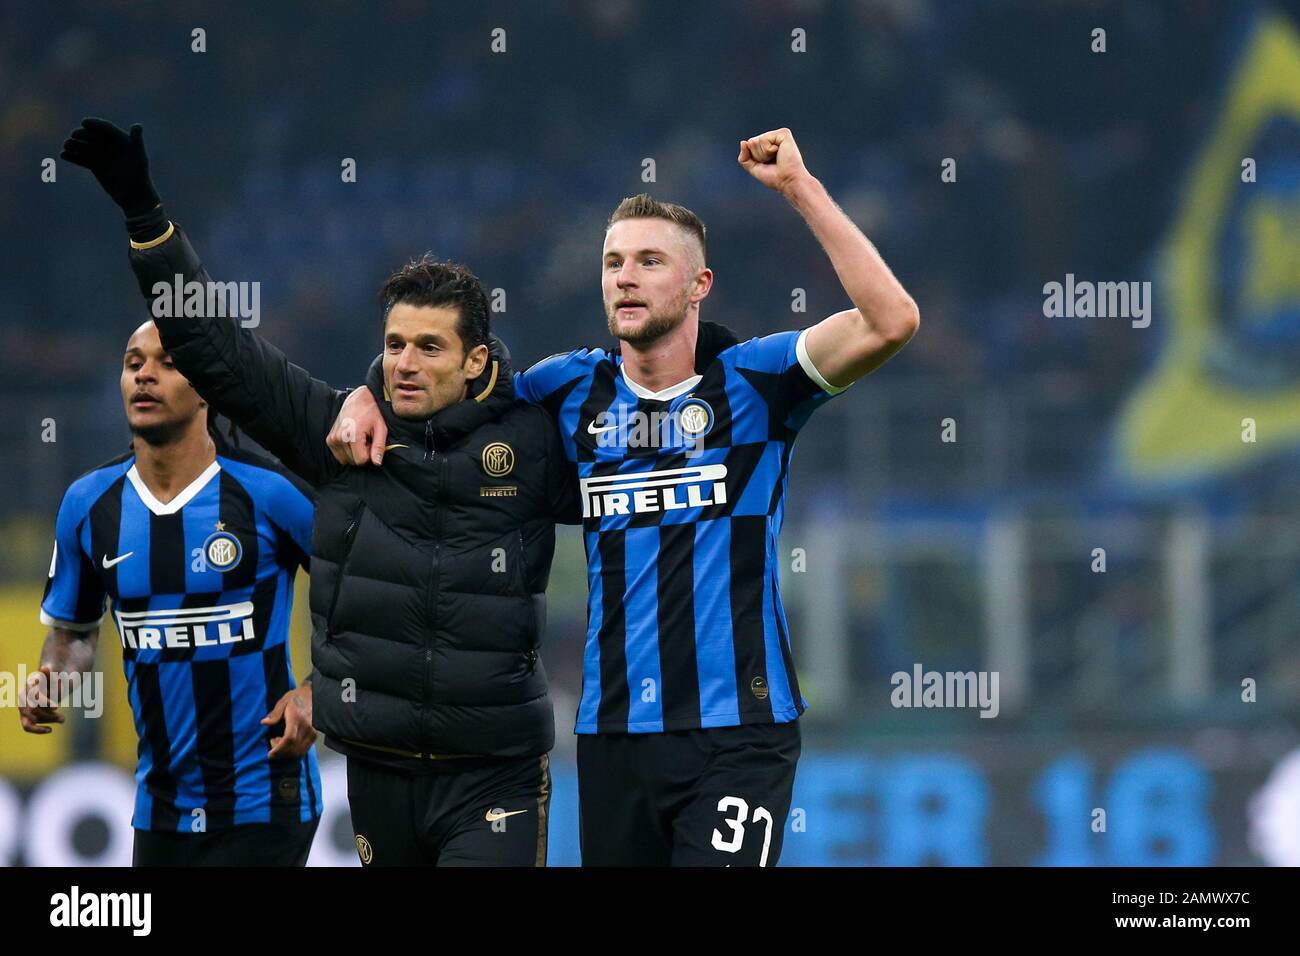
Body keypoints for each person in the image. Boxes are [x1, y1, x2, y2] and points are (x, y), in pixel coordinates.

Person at [329, 127, 921, 865]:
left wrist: (799, 187)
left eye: (648, 261)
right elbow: (447, 376)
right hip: (612, 736)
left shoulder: (758, 383)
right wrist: (364, 389)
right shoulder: (565, 388)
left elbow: (892, 320)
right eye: (612, 262)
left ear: (699, 285)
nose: (624, 278)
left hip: (737, 732)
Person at [58, 117, 577, 867]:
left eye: (429, 347)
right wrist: (146, 216)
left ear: (476, 363)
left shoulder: (530, 445)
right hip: (377, 772)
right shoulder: (338, 433)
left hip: (493, 773)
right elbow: (215, 348)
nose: (403, 362)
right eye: (394, 344)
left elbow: (629, 470)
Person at [22, 318, 322, 866]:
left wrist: (315, 690)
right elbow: (75, 630)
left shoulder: (268, 492)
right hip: (159, 807)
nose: (144, 376)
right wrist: (54, 676)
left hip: (264, 797)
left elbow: (360, 597)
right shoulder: (88, 503)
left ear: (207, 385)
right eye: (133, 362)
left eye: (167, 362)